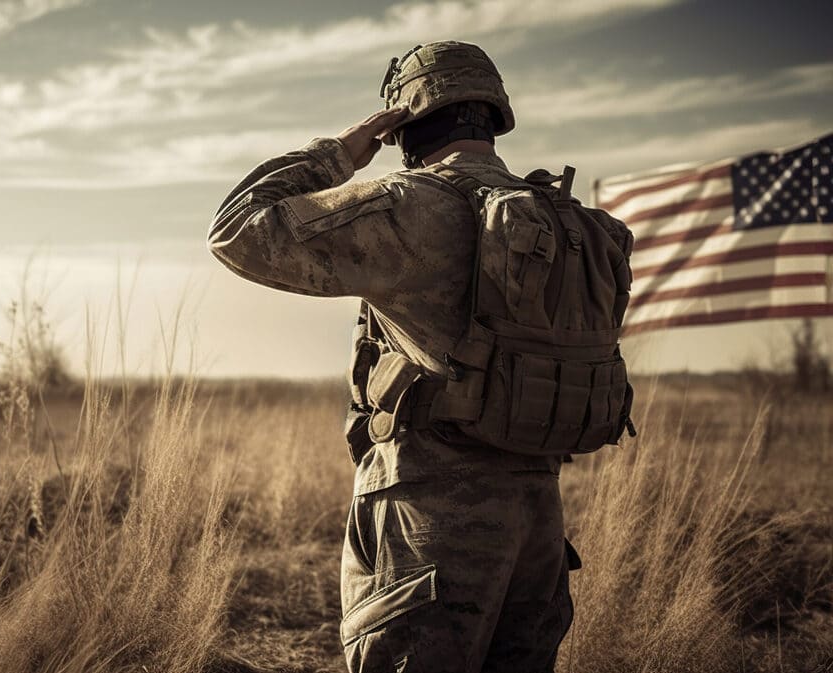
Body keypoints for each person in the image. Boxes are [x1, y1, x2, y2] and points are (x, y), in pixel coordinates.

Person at [209, 41, 635, 673]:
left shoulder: (413, 206)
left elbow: (238, 231)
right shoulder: (570, 224)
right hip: (538, 526)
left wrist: (337, 153)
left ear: (404, 123)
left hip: (428, 520)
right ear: (493, 117)